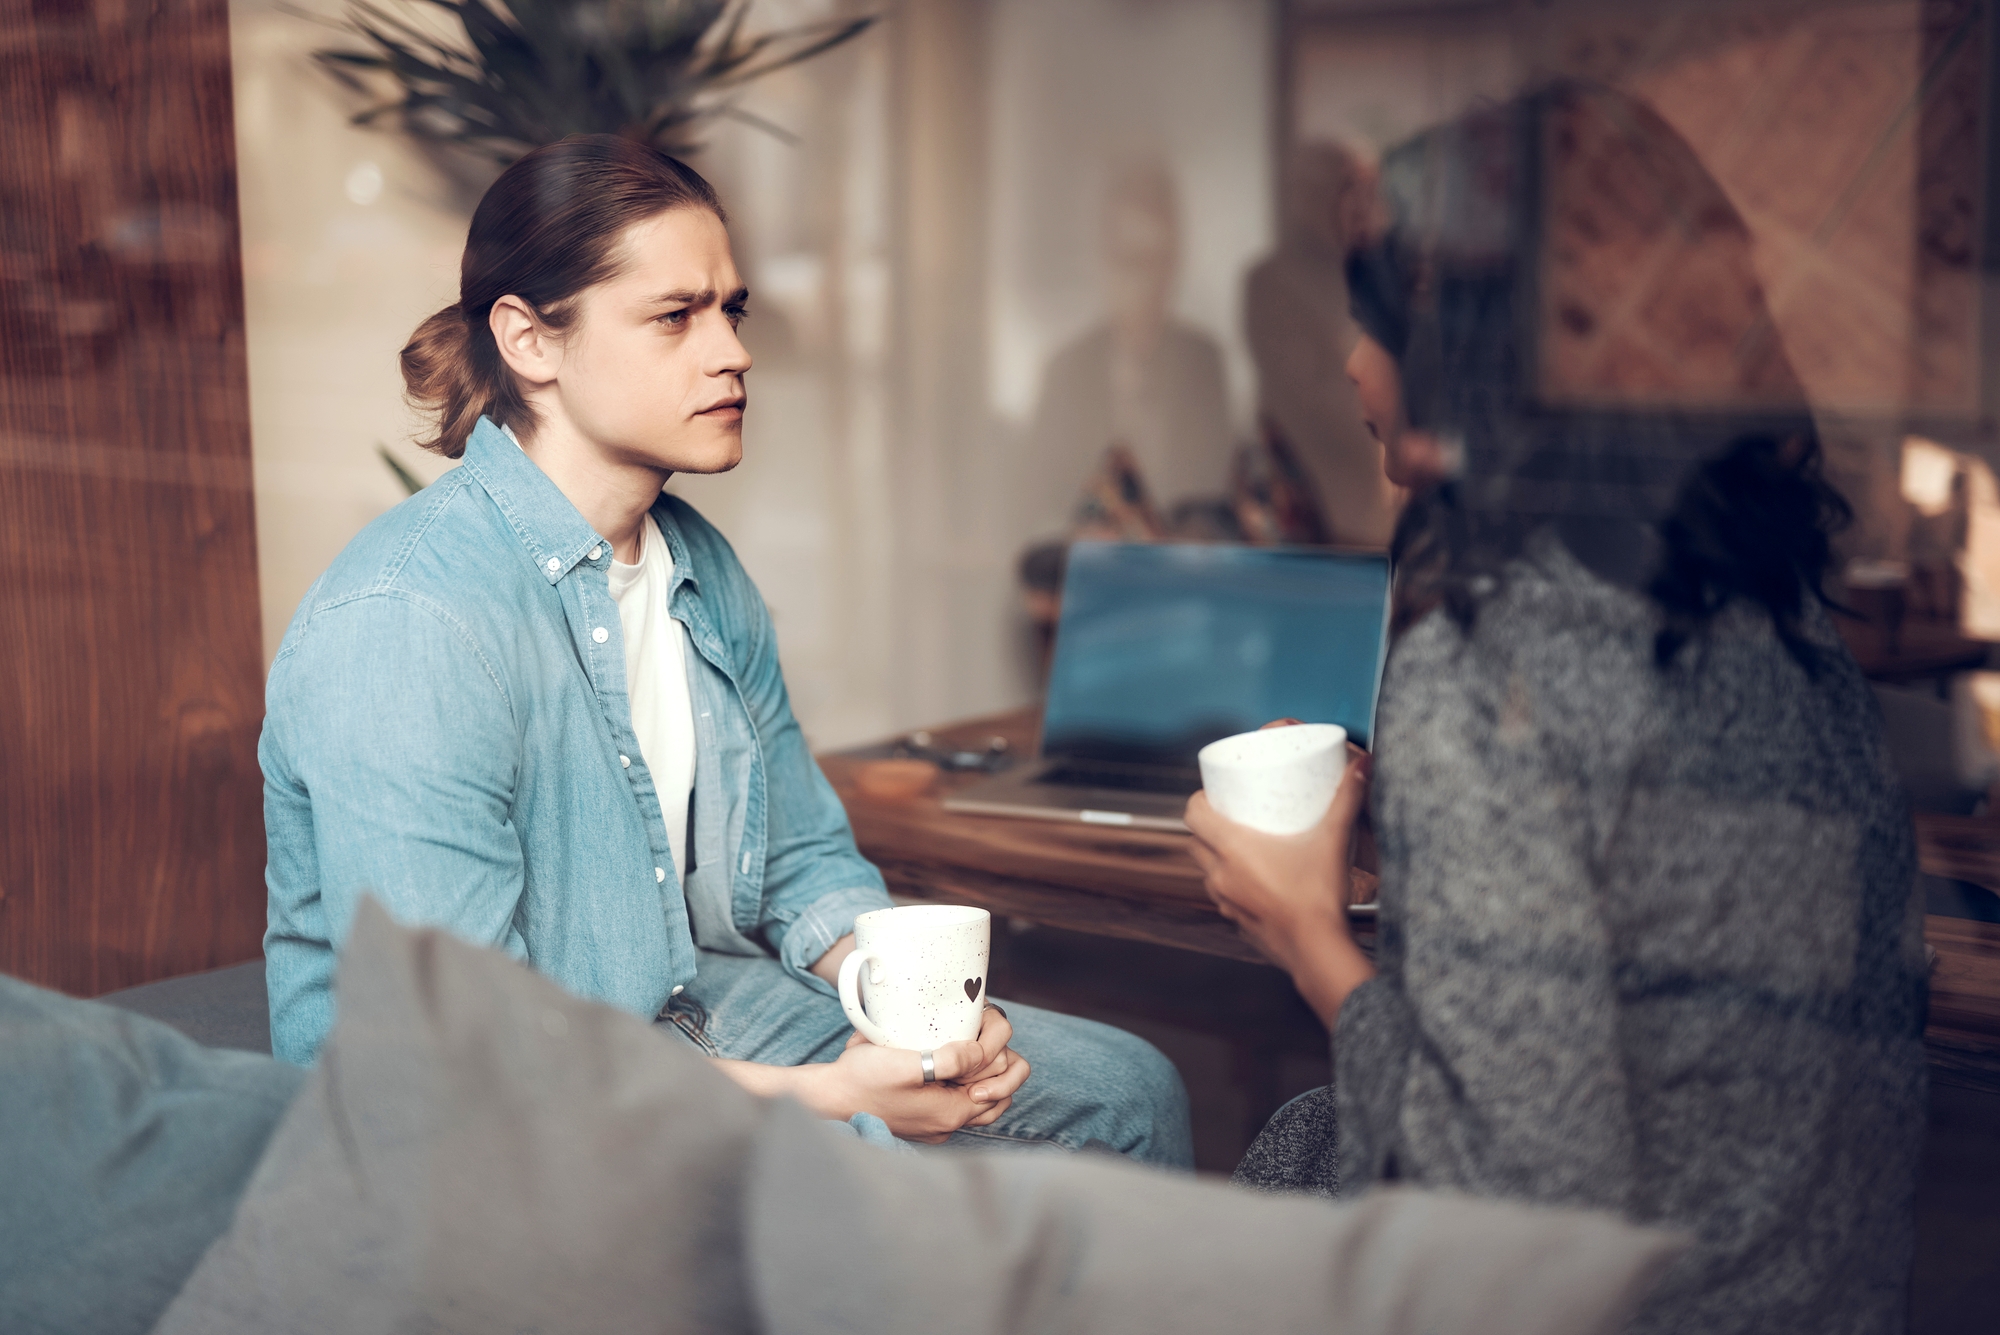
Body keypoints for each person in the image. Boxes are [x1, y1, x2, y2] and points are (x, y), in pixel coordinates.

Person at [260, 135, 1191, 1165]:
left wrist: (920, 1020)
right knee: (878, 1177)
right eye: (674, 316)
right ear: (528, 341)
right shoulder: (408, 624)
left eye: (729, 309)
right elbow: (468, 1057)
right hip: (482, 1121)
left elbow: (799, 860)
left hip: (684, 1004)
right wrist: (832, 1096)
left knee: (1127, 1092)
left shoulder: (698, 567)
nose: (733, 351)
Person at [1184, 83, 1929, 1334]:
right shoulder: (1763, 612)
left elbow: (1517, 1216)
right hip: (1817, 1286)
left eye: (1370, 319)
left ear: (1466, 354)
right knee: (1300, 1134)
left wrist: (1304, 927)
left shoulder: (1492, 675)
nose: (1345, 358)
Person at [1243, 141, 1402, 548]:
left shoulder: (1369, 271)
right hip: (1311, 508)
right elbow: (1317, 396)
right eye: (1348, 189)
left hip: (1373, 509)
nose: (1362, 205)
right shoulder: (1273, 283)